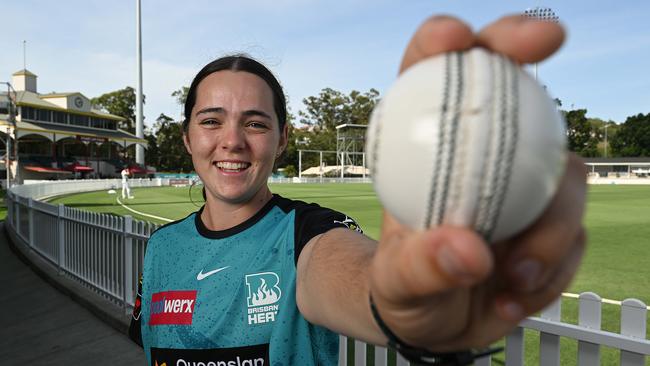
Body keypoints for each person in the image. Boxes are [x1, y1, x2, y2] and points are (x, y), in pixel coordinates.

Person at [129, 14, 586, 366]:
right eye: (211, 121)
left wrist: (397, 303)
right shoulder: (162, 248)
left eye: (255, 122)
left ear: (283, 138)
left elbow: (344, 270)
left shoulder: (305, 232)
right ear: (187, 137)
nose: (232, 141)